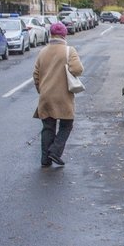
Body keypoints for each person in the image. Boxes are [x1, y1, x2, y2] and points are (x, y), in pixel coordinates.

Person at [33, 21, 83, 168]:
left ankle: (45, 160)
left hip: (45, 96)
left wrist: (41, 90)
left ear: (51, 34)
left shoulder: (42, 52)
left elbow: (36, 74)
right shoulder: (69, 51)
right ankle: (55, 150)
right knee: (67, 124)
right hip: (63, 96)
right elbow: (78, 70)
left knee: (48, 127)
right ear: (64, 35)